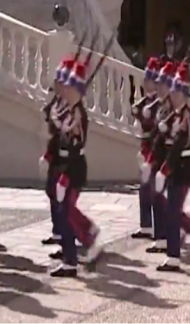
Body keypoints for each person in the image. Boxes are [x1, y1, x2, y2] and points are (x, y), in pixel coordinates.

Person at [154, 63, 190, 272]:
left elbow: (179, 145)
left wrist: (163, 170)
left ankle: (174, 256)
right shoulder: (174, 114)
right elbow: (165, 142)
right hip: (173, 168)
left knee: (172, 211)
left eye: (177, 92)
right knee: (173, 211)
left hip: (182, 168)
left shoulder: (186, 117)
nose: (173, 96)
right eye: (173, 92)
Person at [50, 60, 104, 277]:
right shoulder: (68, 109)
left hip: (74, 167)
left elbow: (74, 145)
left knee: (66, 211)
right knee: (64, 211)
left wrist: (64, 177)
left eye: (71, 87)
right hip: (65, 165)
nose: (66, 90)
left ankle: (84, 245)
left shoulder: (78, 114)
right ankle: (72, 252)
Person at [142, 61, 177, 254]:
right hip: (159, 156)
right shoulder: (162, 105)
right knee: (157, 198)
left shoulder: (173, 107)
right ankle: (161, 236)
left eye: (163, 83)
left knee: (169, 202)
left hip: (169, 159)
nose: (159, 86)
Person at [40, 56, 74, 247]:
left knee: (63, 198)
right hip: (55, 154)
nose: (57, 85)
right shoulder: (58, 102)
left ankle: (67, 232)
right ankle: (58, 231)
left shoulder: (70, 106)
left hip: (66, 159)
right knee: (51, 192)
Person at [130, 57, 162, 239]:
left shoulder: (159, 104)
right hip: (144, 149)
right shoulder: (144, 102)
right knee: (143, 188)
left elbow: (154, 125)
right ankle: (146, 225)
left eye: (149, 80)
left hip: (155, 150)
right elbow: (136, 110)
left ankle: (159, 228)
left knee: (154, 189)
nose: (146, 83)